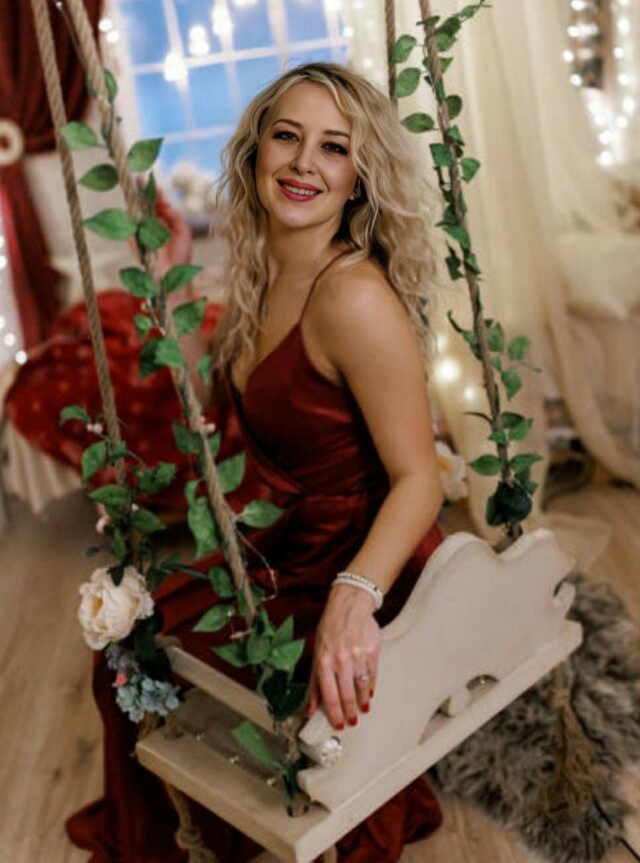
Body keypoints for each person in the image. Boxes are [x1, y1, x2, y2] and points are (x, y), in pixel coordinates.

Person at [67, 61, 446, 862]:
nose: (305, 162)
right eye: (288, 136)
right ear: (254, 152)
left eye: (334, 147)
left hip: (354, 556)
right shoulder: (254, 272)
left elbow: (422, 479)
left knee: (253, 691)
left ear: (359, 177)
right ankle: (177, 837)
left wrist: (353, 597)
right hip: (279, 547)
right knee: (126, 644)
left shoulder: (352, 297)